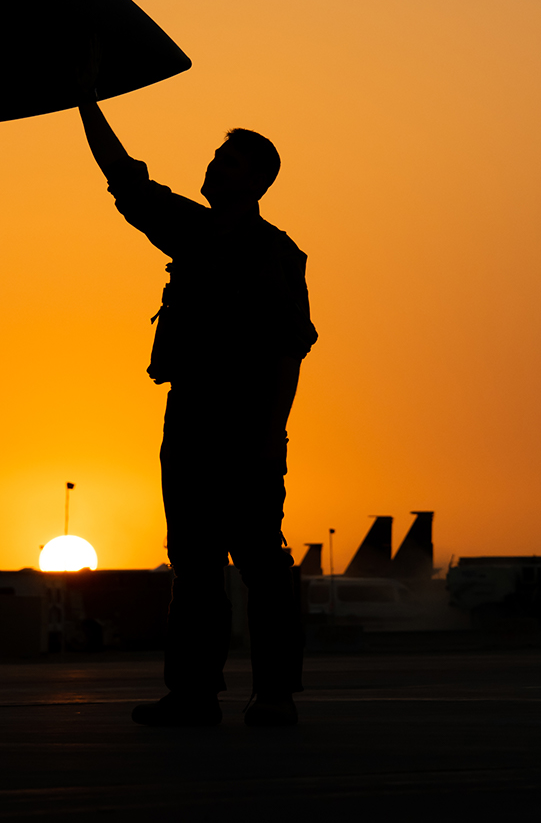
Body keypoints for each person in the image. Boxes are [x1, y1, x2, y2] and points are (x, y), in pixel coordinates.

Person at [79, 101, 317, 726]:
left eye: (228, 162)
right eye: (215, 157)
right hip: (189, 416)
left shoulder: (275, 255)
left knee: (262, 564)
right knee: (193, 563)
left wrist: (270, 437)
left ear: (257, 182)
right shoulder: (194, 231)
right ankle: (192, 695)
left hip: (246, 421)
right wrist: (85, 101)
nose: (213, 167)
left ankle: (274, 696)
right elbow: (128, 181)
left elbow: (289, 352)